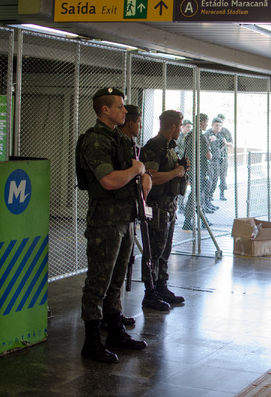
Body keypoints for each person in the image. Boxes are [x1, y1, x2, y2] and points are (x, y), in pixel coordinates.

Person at [78, 87, 148, 364]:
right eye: (120, 107)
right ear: (105, 110)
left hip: (124, 217)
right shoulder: (95, 141)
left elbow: (131, 175)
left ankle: (115, 330)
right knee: (98, 282)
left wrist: (141, 177)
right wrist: (136, 170)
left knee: (117, 279)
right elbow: (108, 181)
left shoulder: (119, 138)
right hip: (105, 220)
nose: (125, 111)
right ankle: (91, 341)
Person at [140, 110, 188, 310]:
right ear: (174, 126)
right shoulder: (154, 147)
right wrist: (175, 172)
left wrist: (180, 169)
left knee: (165, 251)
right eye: (180, 126)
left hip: (168, 206)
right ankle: (150, 293)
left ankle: (161, 287)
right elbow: (151, 177)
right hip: (156, 207)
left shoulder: (170, 147)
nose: (181, 130)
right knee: (154, 251)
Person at [182, 114, 213, 230]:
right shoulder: (201, 137)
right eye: (206, 122)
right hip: (200, 170)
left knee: (198, 195)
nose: (207, 124)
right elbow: (208, 155)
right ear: (201, 122)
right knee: (195, 196)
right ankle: (188, 220)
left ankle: (203, 220)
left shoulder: (190, 135)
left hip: (192, 169)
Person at [204, 117, 227, 210]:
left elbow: (222, 145)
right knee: (209, 182)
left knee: (214, 182)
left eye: (220, 125)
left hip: (217, 161)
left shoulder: (219, 134)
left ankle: (209, 201)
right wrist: (210, 140)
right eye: (216, 125)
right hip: (210, 162)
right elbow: (203, 146)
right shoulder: (208, 134)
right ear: (212, 125)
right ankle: (205, 203)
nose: (218, 127)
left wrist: (222, 143)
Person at [216, 113, 233, 200]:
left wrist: (226, 143)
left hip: (223, 157)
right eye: (219, 119)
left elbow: (231, 144)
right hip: (214, 158)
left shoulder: (226, 131)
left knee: (223, 176)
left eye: (222, 120)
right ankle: (209, 195)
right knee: (213, 176)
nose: (220, 121)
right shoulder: (212, 131)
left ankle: (222, 193)